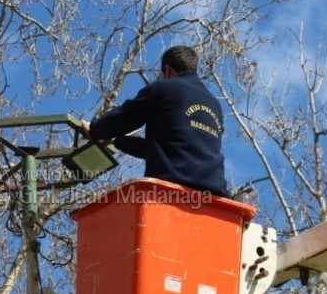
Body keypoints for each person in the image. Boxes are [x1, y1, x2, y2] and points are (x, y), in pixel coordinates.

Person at [83, 46, 229, 197]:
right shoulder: (214, 105)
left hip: (170, 190)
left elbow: (125, 118)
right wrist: (117, 141)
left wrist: (95, 130)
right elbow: (164, 149)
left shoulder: (164, 88)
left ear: (167, 70)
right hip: (213, 195)